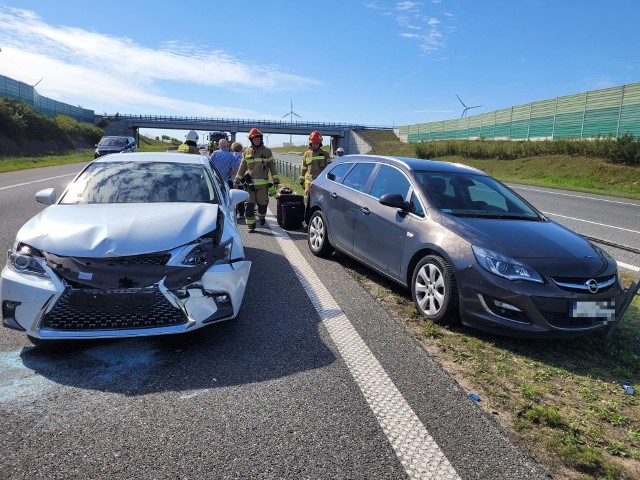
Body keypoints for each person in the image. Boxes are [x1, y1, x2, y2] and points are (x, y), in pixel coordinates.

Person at [234, 128, 279, 231]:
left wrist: (276, 180)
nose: (257, 141)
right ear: (251, 140)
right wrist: (237, 180)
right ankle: (251, 226)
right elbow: (242, 167)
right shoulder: (246, 152)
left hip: (263, 186)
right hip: (250, 186)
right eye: (254, 139)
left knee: (262, 205)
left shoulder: (267, 151)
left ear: (261, 139)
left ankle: (261, 217)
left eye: (258, 139)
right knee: (249, 206)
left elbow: (272, 167)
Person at [300, 130, 331, 199]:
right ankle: (307, 207)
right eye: (314, 143)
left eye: (317, 143)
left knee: (319, 196)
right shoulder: (307, 154)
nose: (315, 145)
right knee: (307, 193)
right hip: (309, 177)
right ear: (311, 143)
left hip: (320, 178)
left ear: (320, 143)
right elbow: (304, 167)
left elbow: (330, 166)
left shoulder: (325, 153)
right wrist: (301, 179)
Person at [231, 141, 246, 219]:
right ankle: (241, 214)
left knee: (232, 197)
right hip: (240, 180)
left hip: (231, 179)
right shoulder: (243, 157)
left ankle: (233, 213)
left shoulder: (230, 156)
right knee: (240, 198)